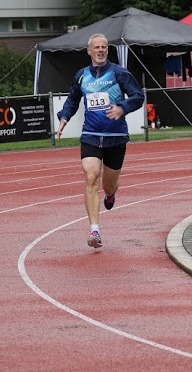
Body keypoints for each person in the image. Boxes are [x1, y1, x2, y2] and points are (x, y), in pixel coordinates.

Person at [54, 33, 145, 249]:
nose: (101, 50)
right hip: (91, 136)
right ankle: (94, 230)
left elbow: (138, 96)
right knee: (91, 176)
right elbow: (72, 99)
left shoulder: (119, 73)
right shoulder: (81, 75)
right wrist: (64, 117)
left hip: (116, 137)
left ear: (107, 50)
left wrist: (122, 108)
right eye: (97, 47)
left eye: (104, 47)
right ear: (89, 51)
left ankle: (111, 194)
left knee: (108, 184)